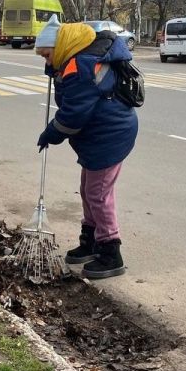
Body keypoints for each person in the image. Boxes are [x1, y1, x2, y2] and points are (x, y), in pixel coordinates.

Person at [34, 15, 139, 279]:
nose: (46, 62)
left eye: (48, 56)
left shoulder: (81, 66)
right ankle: (90, 242)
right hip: (98, 136)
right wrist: (54, 70)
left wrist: (51, 133)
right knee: (88, 190)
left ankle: (110, 252)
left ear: (61, 48)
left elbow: (74, 115)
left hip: (109, 136)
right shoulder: (74, 62)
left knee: (98, 194)